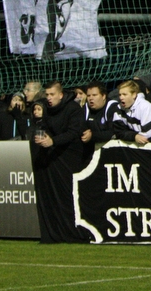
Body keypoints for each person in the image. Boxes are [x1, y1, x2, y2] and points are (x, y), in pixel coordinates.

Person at [30, 81, 86, 243]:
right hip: (51, 160)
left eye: (52, 94)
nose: (49, 98)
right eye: (47, 95)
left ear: (61, 95)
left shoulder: (73, 109)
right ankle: (51, 233)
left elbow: (74, 132)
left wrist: (52, 141)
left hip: (70, 160)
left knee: (68, 198)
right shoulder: (47, 110)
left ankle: (72, 233)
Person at [113, 80, 151, 144]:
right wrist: (134, 136)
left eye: (124, 94)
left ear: (134, 95)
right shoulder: (119, 108)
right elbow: (118, 131)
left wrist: (132, 136)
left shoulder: (146, 107)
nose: (121, 98)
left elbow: (147, 135)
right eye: (120, 95)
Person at [81, 81, 122, 146]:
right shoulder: (85, 109)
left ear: (103, 96)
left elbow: (114, 132)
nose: (91, 98)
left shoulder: (112, 108)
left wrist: (93, 135)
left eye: (94, 95)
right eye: (88, 96)